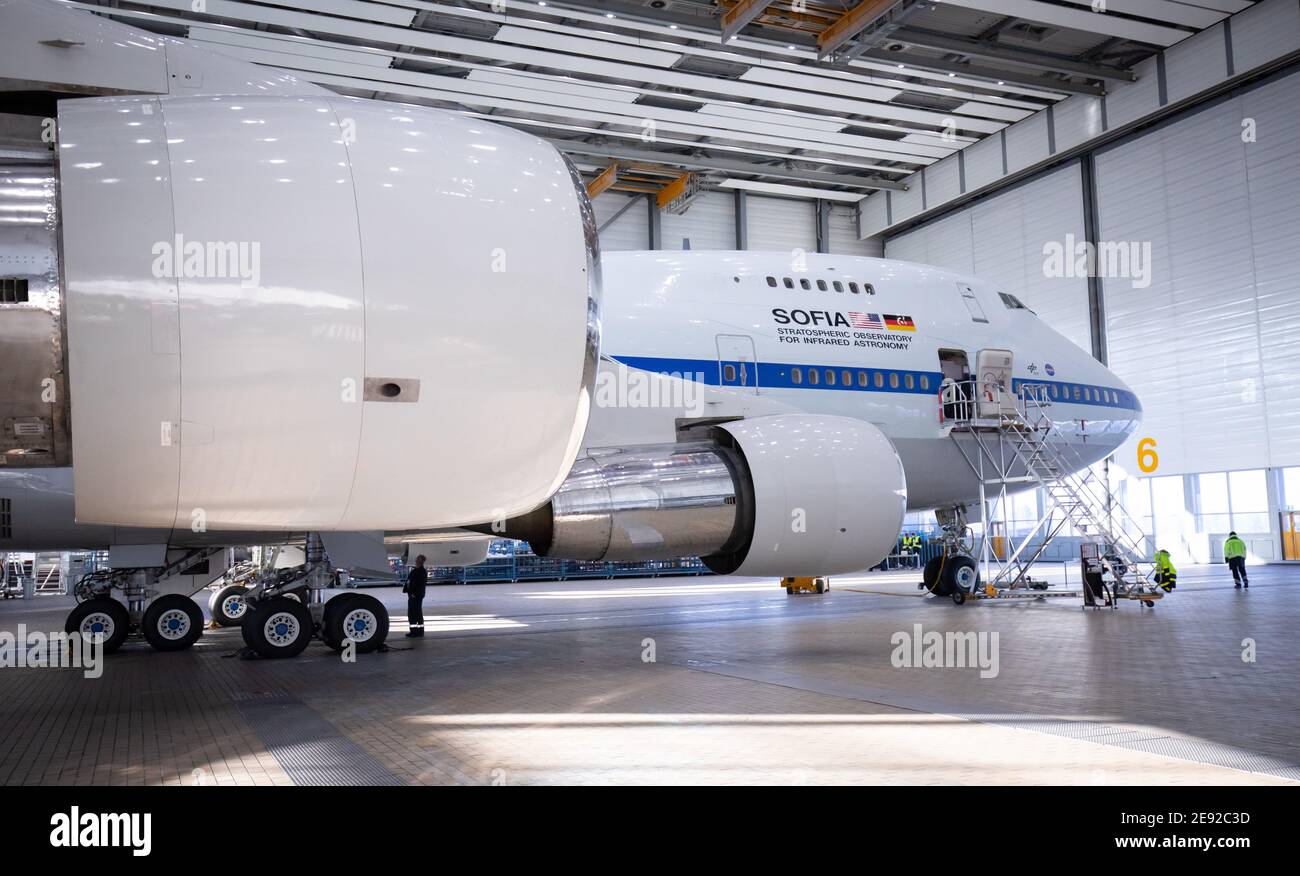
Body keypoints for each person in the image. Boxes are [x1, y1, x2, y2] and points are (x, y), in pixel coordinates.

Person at [404, 554, 428, 637]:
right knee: (411, 614)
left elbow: (420, 585)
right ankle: (413, 631)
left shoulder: (422, 572)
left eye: (418, 559)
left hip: (416, 596)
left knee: (417, 613)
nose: (416, 561)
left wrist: (415, 594)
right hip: (411, 595)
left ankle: (419, 632)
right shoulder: (415, 570)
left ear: (421, 561)